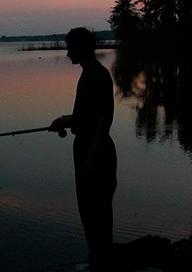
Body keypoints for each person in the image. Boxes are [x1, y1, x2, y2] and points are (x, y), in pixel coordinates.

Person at [49, 27, 117, 271]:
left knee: (96, 214)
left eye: (70, 47)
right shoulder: (88, 73)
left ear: (81, 47)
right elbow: (87, 115)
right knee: (89, 213)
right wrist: (65, 120)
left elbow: (104, 120)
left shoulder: (98, 75)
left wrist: (91, 160)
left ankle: (101, 263)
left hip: (95, 152)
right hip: (86, 148)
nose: (67, 53)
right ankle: (98, 260)